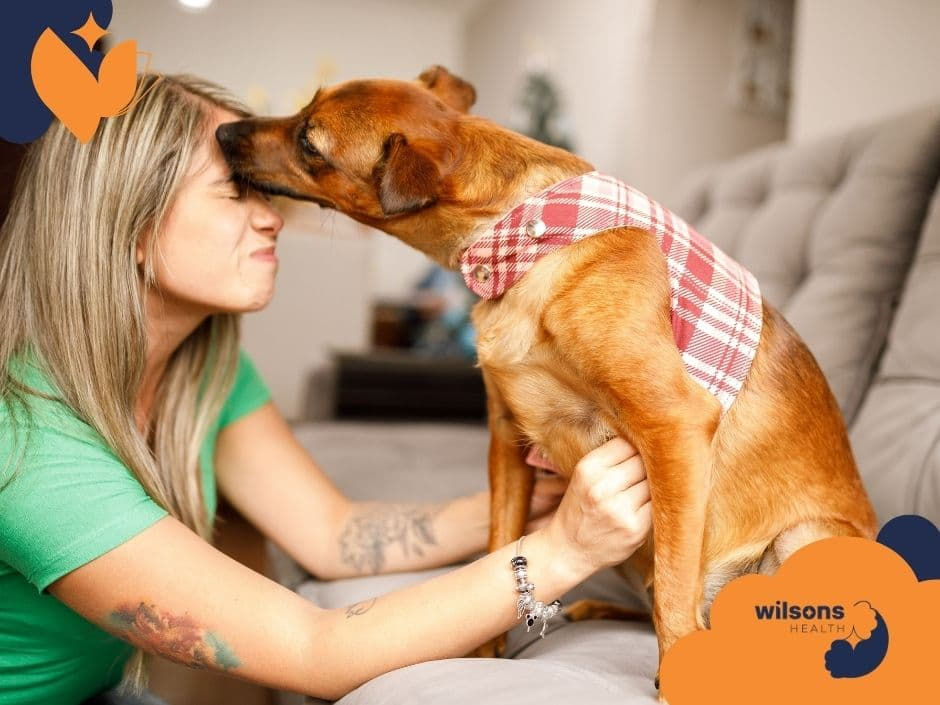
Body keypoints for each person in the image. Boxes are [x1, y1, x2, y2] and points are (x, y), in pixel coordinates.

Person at [0, 74, 652, 704]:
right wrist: (565, 550)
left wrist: (538, 501)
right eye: (237, 193)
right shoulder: (27, 446)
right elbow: (316, 649)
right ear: (131, 227)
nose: (274, 217)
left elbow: (332, 533)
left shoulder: (202, 369)